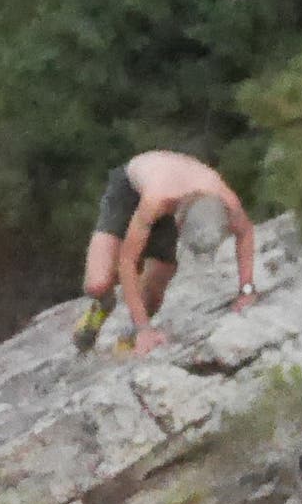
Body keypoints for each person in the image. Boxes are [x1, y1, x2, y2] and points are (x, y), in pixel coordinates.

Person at [74, 150, 260, 353]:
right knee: (98, 283)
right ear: (180, 223)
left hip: (179, 201)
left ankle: (130, 334)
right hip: (130, 190)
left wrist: (246, 290)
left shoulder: (226, 200)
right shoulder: (156, 199)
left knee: (153, 293)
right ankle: (104, 303)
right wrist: (145, 329)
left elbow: (245, 232)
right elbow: (127, 261)